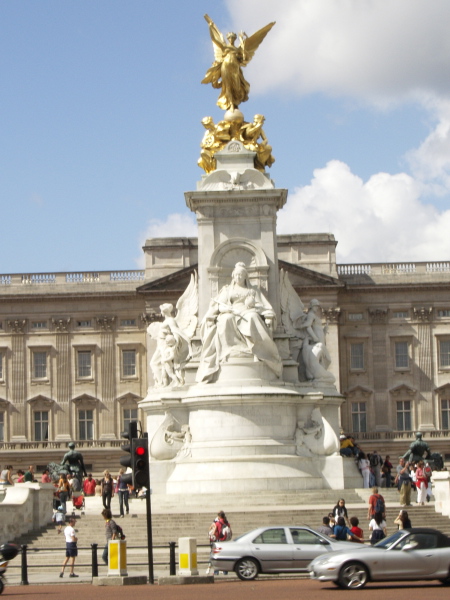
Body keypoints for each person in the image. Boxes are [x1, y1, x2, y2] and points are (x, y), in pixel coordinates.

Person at [196, 262, 282, 383]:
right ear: (233, 276)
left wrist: (253, 305)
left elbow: (262, 306)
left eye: (241, 274)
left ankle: (257, 350)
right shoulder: (227, 290)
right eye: (236, 275)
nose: (238, 277)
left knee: (252, 318)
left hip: (248, 311)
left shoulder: (253, 291)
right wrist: (226, 309)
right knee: (226, 319)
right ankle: (228, 352)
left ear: (245, 276)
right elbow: (219, 306)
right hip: (231, 312)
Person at [202, 14, 275, 111]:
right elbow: (215, 39)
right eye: (230, 38)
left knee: (236, 84)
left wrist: (242, 40)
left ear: (234, 39)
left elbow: (245, 56)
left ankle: (235, 100)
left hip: (235, 66)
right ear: (228, 39)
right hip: (226, 65)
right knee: (227, 84)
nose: (231, 39)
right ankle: (231, 103)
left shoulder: (238, 49)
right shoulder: (225, 47)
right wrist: (211, 26)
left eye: (233, 38)